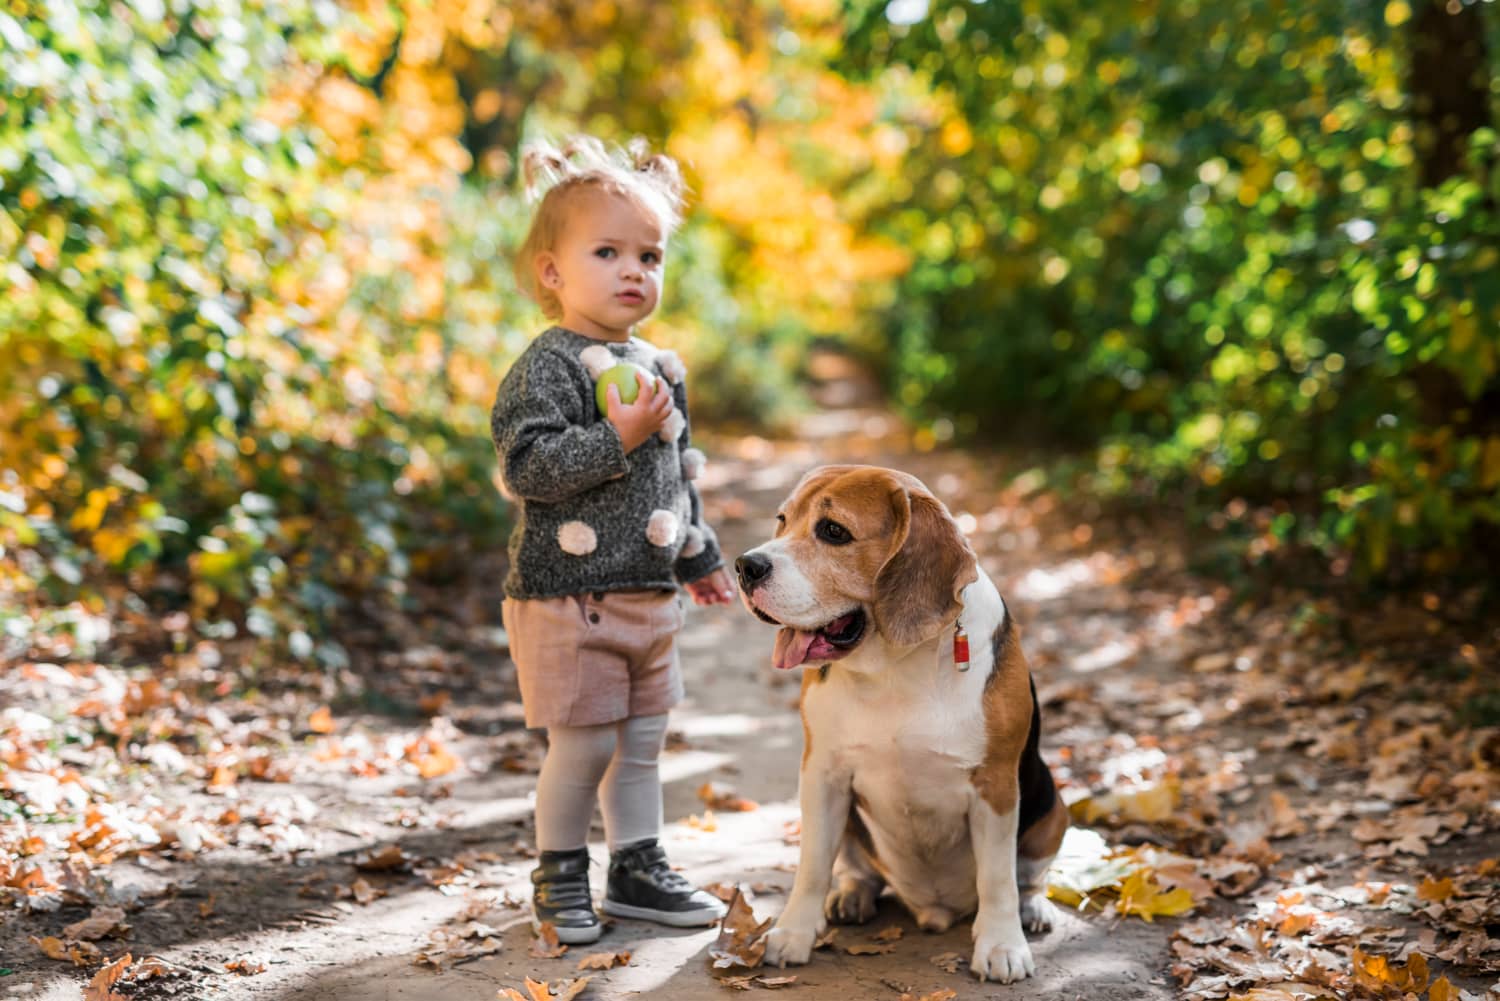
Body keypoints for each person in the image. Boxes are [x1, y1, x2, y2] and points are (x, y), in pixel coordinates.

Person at [492, 135, 736, 944]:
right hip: (570, 597)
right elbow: (530, 468)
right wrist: (618, 439)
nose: (635, 270)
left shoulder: (663, 364)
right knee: (585, 742)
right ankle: (559, 871)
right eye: (608, 251)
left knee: (639, 745)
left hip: (647, 592)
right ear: (553, 273)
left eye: (650, 254)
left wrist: (697, 554)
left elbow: (678, 475)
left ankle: (637, 868)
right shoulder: (549, 366)